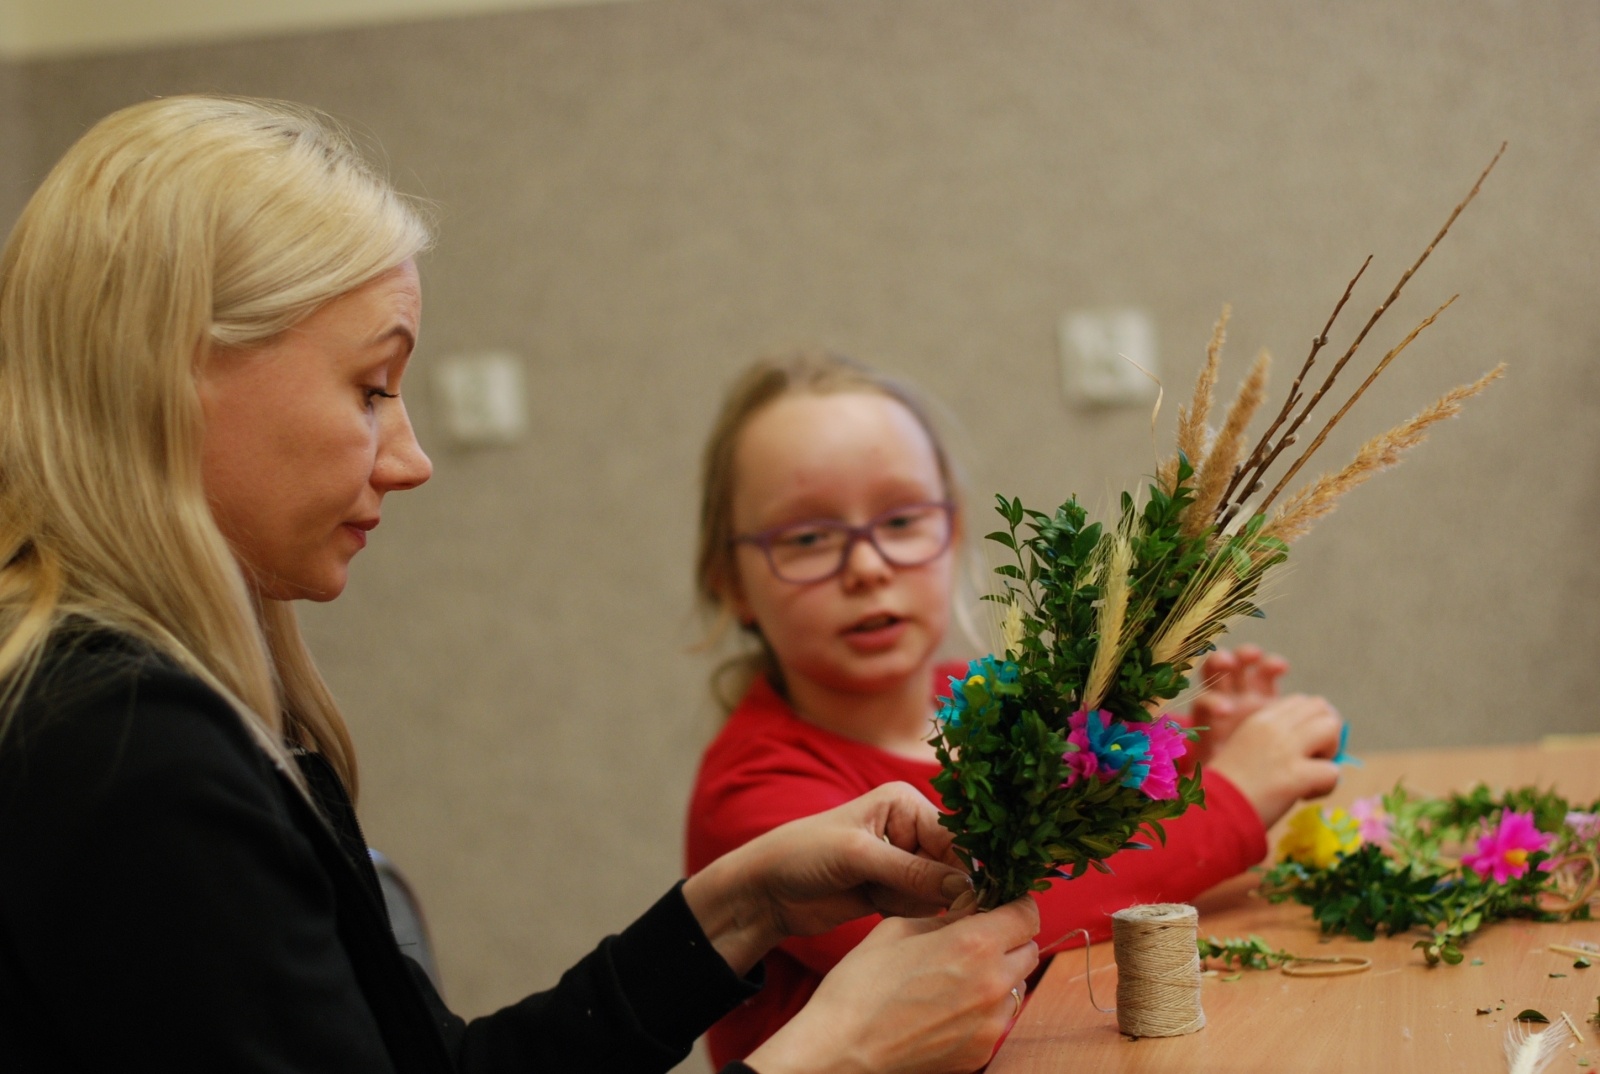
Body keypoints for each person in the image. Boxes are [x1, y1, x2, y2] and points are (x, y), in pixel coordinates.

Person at [0, 96, 1041, 1074]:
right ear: (175, 374)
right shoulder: (123, 749)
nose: (411, 459)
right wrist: (836, 1052)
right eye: (372, 388)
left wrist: (743, 908)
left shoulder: (146, 720)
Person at [685, 350, 1345, 1067]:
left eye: (902, 520)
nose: (868, 567)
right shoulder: (753, 793)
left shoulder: (984, 698)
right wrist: (1233, 799)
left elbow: (1091, 820)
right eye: (808, 538)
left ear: (954, 530)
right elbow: (961, 941)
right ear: (731, 584)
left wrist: (1191, 768)